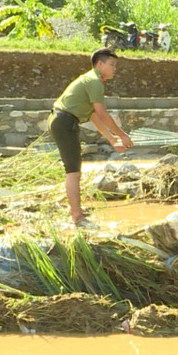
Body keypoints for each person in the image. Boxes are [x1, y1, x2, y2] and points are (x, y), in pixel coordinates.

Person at [48, 48, 133, 228]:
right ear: (99, 64)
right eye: (111, 64)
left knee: (74, 170)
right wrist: (122, 135)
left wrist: (112, 140)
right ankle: (77, 217)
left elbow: (94, 116)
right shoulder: (94, 82)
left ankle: (76, 210)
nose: (114, 69)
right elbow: (102, 114)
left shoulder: (94, 80)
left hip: (64, 121)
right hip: (64, 122)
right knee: (73, 172)